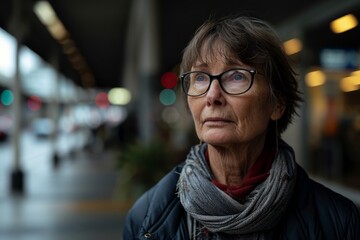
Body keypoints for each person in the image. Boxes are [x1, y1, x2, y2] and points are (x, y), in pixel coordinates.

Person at [123, 15, 360, 239]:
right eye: (200, 78)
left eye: (236, 76)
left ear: (277, 103)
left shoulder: (338, 221)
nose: (212, 96)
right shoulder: (146, 219)